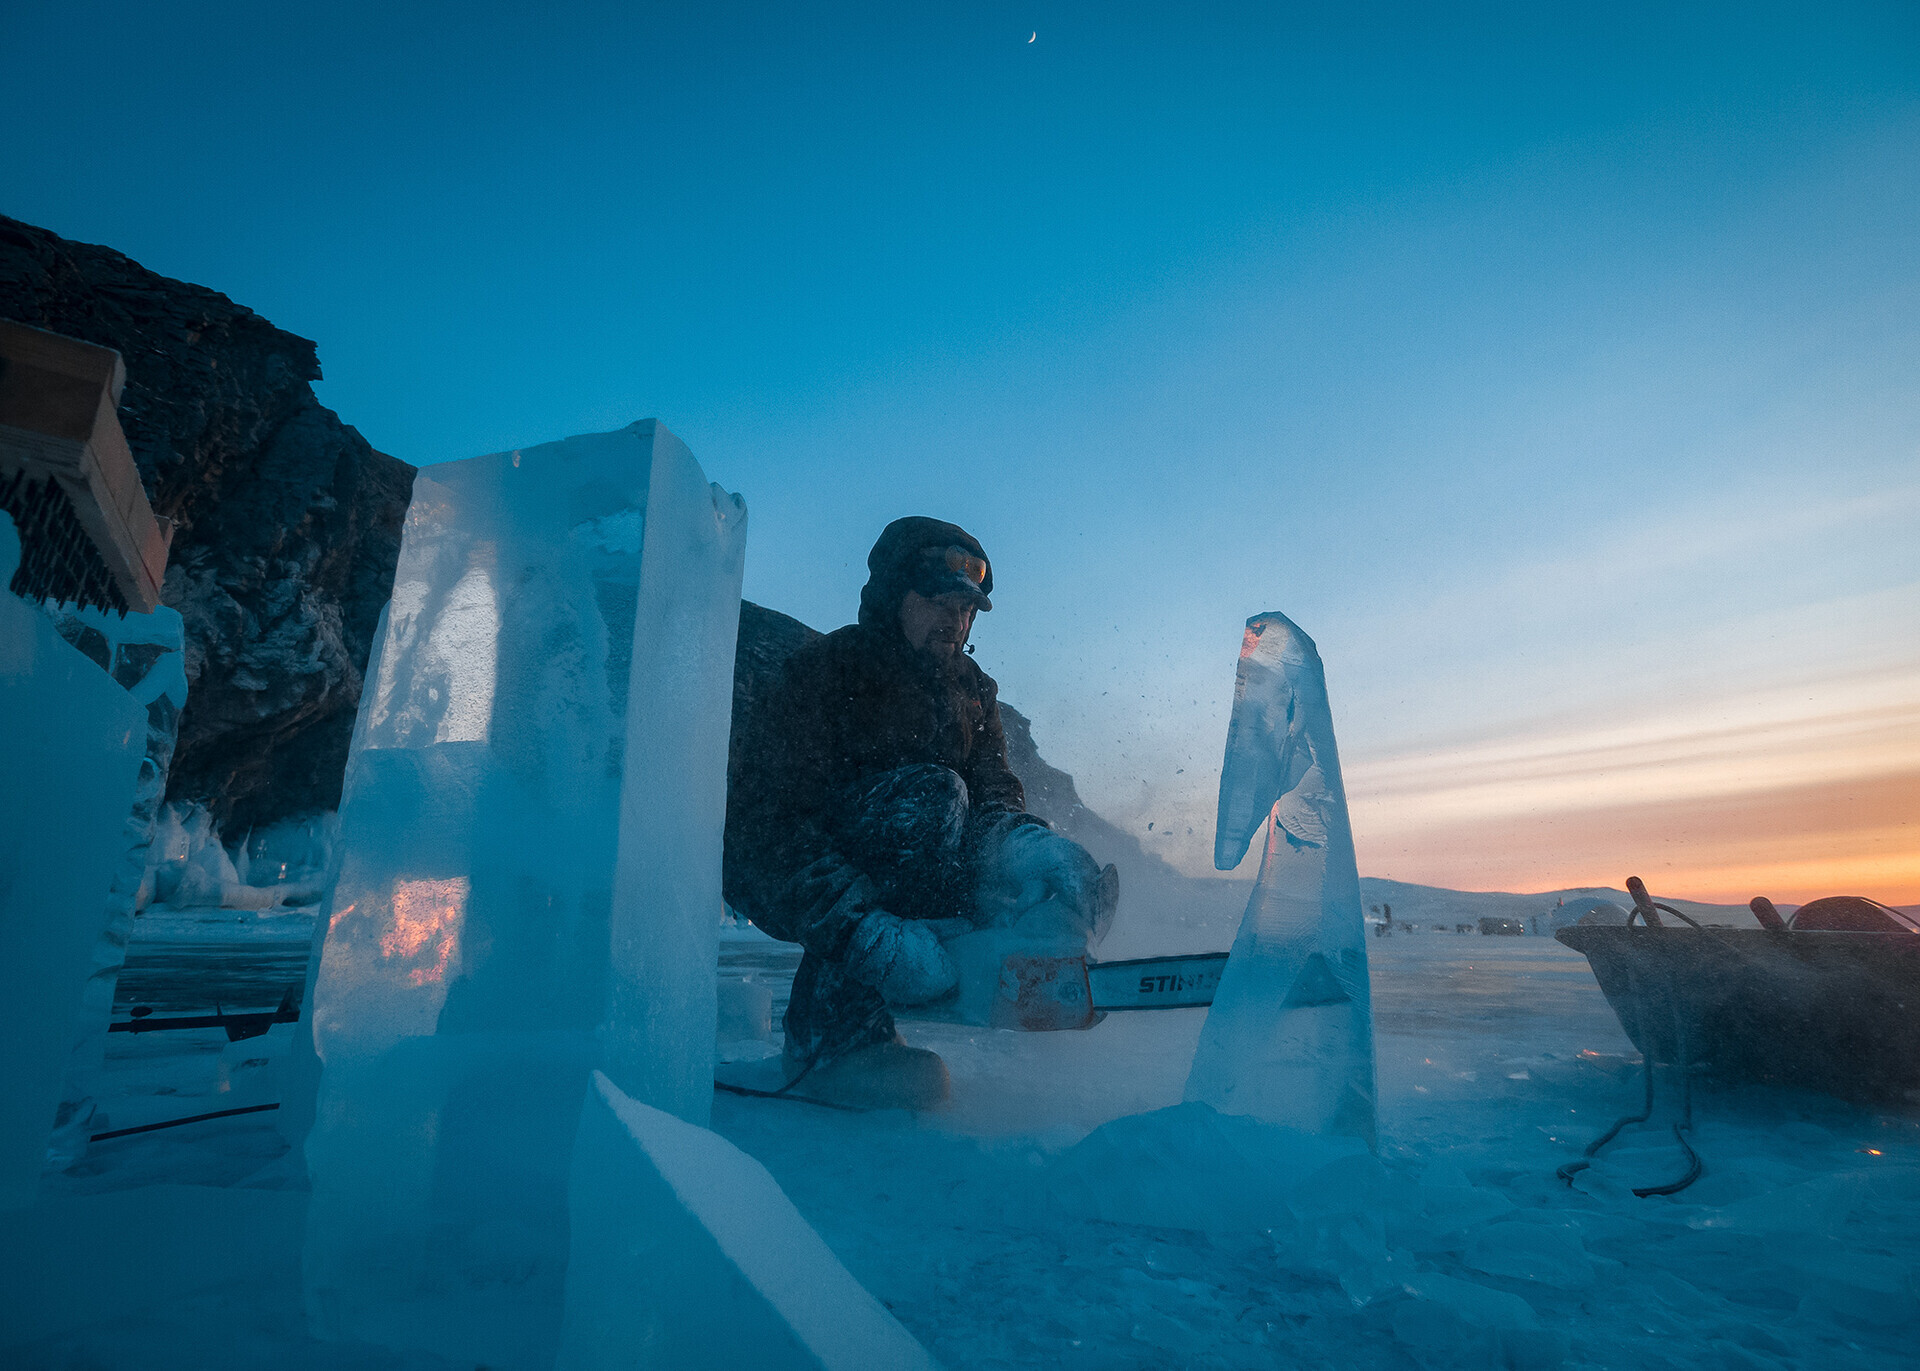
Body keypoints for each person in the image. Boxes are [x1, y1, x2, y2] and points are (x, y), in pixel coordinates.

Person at [724, 517, 1115, 1108]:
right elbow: (768, 822)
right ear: (892, 597)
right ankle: (829, 1039)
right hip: (795, 874)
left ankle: (966, 969)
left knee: (966, 818)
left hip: (907, 851)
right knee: (935, 795)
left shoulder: (974, 692)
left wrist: (1027, 850)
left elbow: (993, 795)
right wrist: (864, 934)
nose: (954, 621)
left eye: (965, 608)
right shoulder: (825, 671)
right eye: (936, 601)